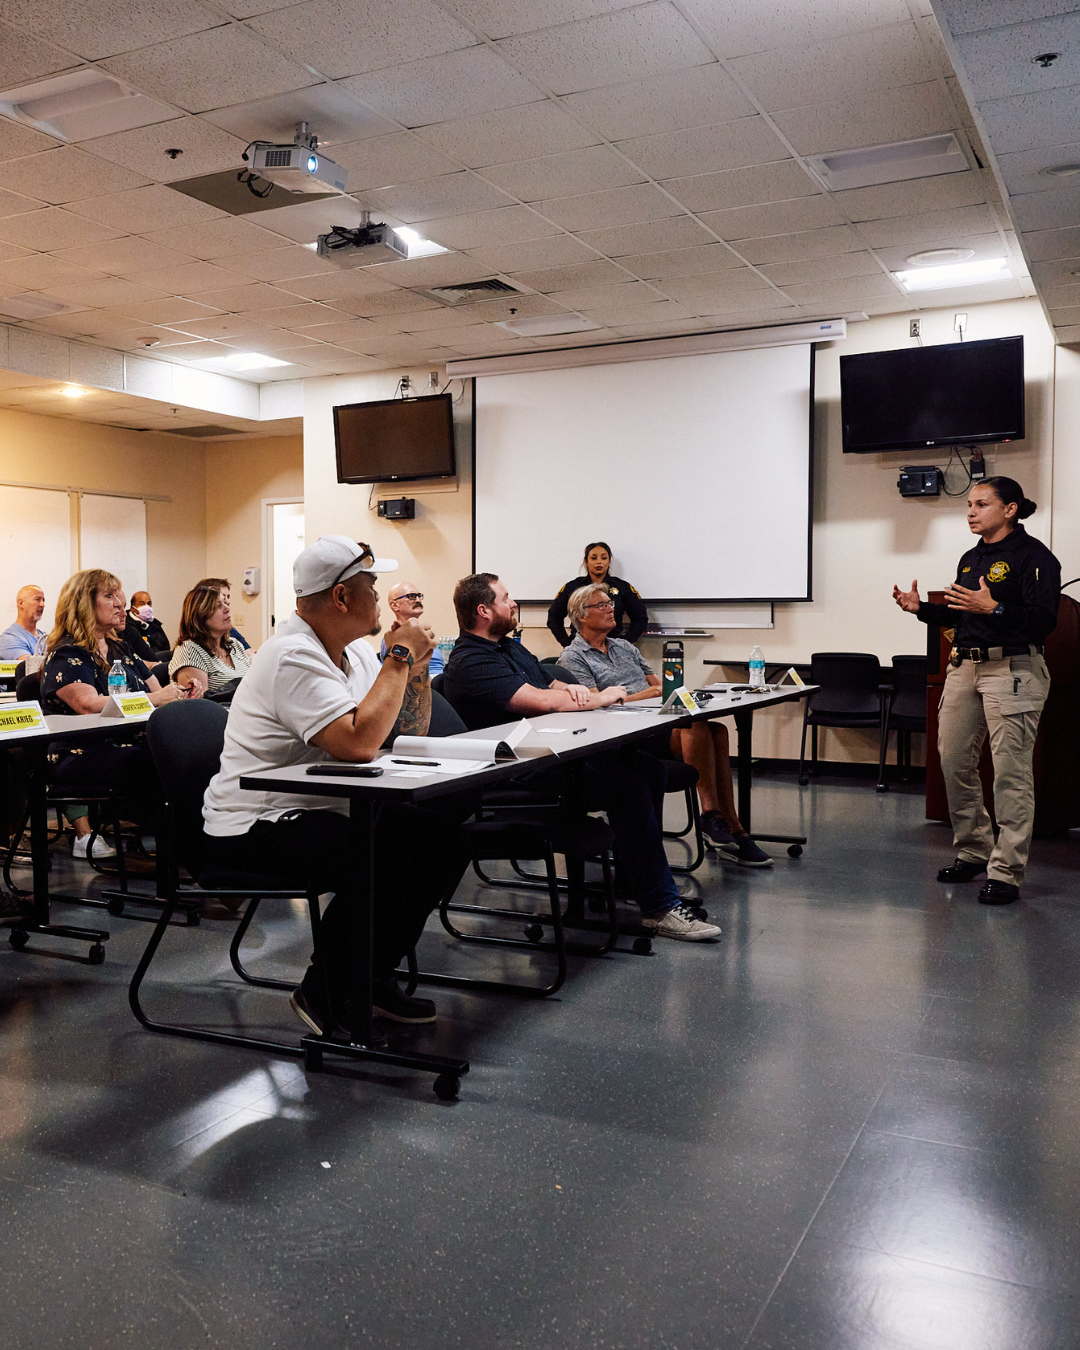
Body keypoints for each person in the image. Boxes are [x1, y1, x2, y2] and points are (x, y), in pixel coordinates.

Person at [202, 537, 468, 1035]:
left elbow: (408, 731)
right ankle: (327, 988)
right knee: (380, 855)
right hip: (255, 821)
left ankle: (370, 975)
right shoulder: (292, 655)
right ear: (343, 597)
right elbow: (358, 744)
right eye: (371, 585)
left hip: (315, 807)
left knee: (441, 842)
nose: (379, 595)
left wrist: (413, 669)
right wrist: (399, 655)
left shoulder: (355, 654)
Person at [444, 572, 721, 940]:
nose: (513, 604)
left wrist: (572, 689)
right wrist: (604, 696)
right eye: (505, 598)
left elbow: (549, 682)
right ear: (483, 611)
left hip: (551, 754)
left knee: (648, 769)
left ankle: (635, 882)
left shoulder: (508, 647)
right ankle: (659, 907)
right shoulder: (471, 660)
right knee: (628, 785)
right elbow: (542, 700)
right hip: (516, 770)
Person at [893, 476, 1060, 905]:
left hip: (1014, 668)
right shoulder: (971, 558)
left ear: (1010, 509)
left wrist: (996, 606)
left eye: (981, 503)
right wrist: (922, 610)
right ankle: (973, 850)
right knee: (953, 761)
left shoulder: (1035, 557)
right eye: (969, 504)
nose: (970, 511)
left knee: (1010, 772)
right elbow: (963, 617)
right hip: (965, 665)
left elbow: (1043, 621)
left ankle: (1006, 871)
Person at [560, 582, 772, 866]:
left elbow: (660, 686)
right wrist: (641, 697)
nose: (612, 609)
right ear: (581, 615)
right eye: (602, 605)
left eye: (610, 604)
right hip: (624, 735)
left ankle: (732, 826)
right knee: (696, 726)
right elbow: (592, 703)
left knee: (716, 729)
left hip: (655, 723)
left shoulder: (624, 647)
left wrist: (681, 693)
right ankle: (712, 816)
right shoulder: (572, 657)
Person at [41, 569, 199, 856]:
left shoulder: (120, 647)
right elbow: (87, 704)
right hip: (82, 752)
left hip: (127, 744)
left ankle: (199, 849)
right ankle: (189, 853)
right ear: (84, 603)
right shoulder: (67, 653)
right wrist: (156, 698)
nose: (120, 603)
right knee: (160, 763)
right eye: (109, 596)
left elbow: (157, 689)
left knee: (191, 755)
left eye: (119, 595)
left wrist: (181, 693)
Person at [547, 541, 648, 648]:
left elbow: (640, 618)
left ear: (609, 561)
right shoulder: (573, 587)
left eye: (604, 558)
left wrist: (625, 643)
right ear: (586, 561)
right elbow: (554, 618)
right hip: (581, 647)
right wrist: (567, 644)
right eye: (594, 558)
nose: (599, 562)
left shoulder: (622, 587)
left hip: (613, 646)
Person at [169, 578, 252, 696]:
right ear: (201, 615)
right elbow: (202, 706)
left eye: (225, 603)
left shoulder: (235, 645)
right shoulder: (189, 650)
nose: (227, 609)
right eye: (218, 606)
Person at [379, 581, 444, 676]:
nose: (418, 600)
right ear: (395, 605)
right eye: (412, 596)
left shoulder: (423, 633)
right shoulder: (395, 639)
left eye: (419, 596)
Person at [0, 584, 48, 660]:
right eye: (37, 599)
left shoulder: (45, 638)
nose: (42, 605)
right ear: (21, 603)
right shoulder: (9, 639)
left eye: (43, 600)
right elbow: (30, 668)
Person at [126, 592, 171, 656]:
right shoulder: (125, 624)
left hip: (158, 660)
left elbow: (166, 647)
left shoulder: (155, 624)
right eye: (141, 604)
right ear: (132, 608)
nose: (147, 607)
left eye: (149, 604)